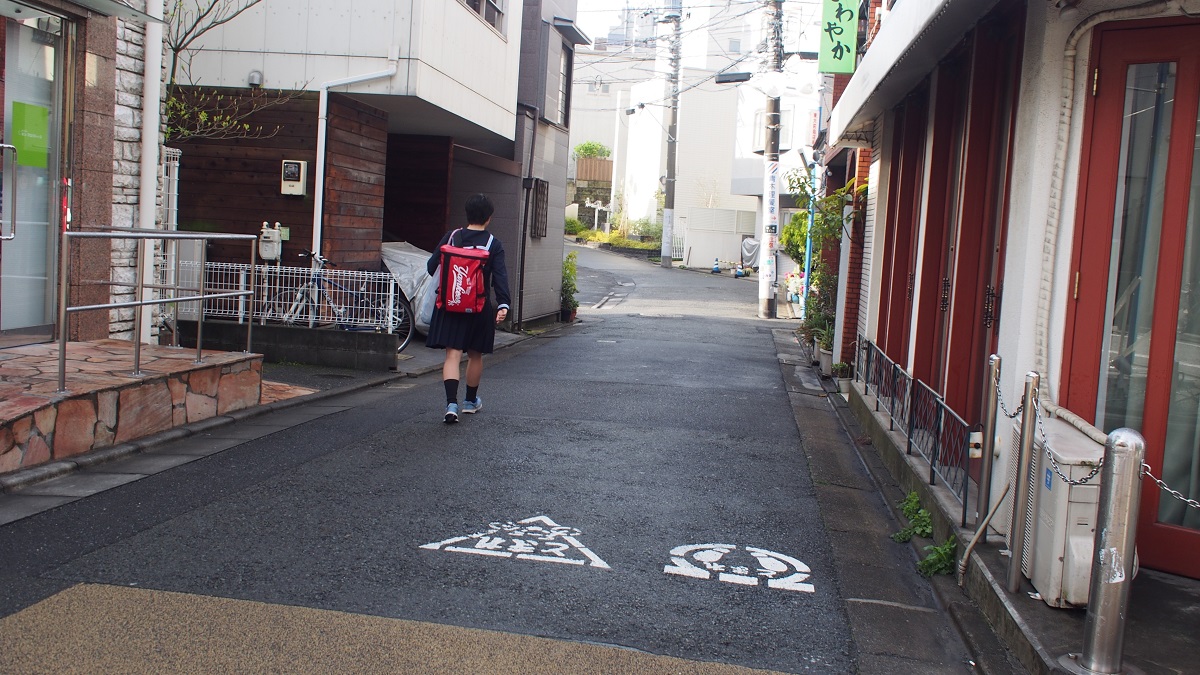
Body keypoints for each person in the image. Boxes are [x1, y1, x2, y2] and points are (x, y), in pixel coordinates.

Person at [426, 194, 511, 423]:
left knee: (452, 355)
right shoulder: (494, 244)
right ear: (489, 218)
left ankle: (450, 404)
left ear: (467, 214)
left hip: (451, 303)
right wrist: (503, 304)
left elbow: (430, 266)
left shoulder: (452, 237)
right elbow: (500, 278)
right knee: (475, 355)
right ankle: (470, 402)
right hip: (479, 306)